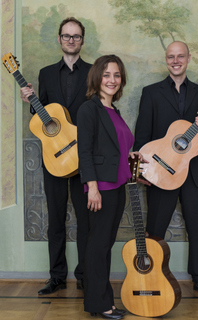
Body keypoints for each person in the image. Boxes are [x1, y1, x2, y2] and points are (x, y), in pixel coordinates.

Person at [133, 41, 198, 296]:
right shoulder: (151, 92)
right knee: (155, 228)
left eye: (180, 56)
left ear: (188, 58)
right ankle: (150, 276)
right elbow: (141, 136)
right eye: (171, 57)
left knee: (196, 227)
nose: (175, 60)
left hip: (193, 174)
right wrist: (141, 171)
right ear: (166, 59)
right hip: (161, 173)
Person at [20, 17, 92, 295]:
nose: (71, 40)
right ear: (59, 39)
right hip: (53, 159)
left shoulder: (94, 71)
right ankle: (57, 276)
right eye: (66, 35)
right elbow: (43, 117)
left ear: (82, 40)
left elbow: (99, 111)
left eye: (76, 36)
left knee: (86, 220)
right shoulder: (46, 73)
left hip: (82, 157)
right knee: (56, 219)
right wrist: (31, 101)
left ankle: (85, 275)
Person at [77, 54, 143, 319]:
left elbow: (114, 148)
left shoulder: (113, 110)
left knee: (104, 246)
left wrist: (131, 155)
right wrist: (92, 187)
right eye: (106, 75)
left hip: (118, 186)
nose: (112, 80)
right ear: (97, 77)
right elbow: (85, 152)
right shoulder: (89, 109)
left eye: (116, 75)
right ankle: (98, 304)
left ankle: (106, 301)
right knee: (97, 247)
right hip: (101, 188)